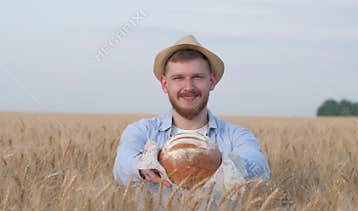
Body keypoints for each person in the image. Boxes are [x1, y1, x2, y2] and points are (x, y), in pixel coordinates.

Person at [113, 35, 270, 190]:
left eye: (197, 77)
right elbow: (122, 166)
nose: (188, 87)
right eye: (178, 78)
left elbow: (260, 168)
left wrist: (217, 162)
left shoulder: (236, 135)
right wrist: (143, 167)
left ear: (212, 81)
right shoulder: (142, 131)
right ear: (164, 84)